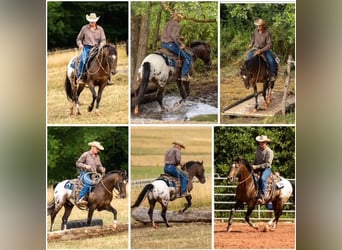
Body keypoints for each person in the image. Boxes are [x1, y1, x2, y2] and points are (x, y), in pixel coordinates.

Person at [76, 13, 113, 85]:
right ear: (88, 21)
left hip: (97, 47)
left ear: (96, 21)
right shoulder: (84, 28)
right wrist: (80, 45)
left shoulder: (100, 29)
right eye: (90, 21)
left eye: (93, 21)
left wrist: (101, 46)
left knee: (106, 58)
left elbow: (103, 40)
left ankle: (108, 77)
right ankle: (80, 77)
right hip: (87, 47)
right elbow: (79, 39)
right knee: (83, 60)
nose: (92, 22)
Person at [161, 12, 192, 82]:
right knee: (188, 57)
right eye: (181, 18)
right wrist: (181, 44)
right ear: (178, 17)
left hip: (163, 45)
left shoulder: (167, 23)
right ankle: (184, 75)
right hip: (171, 45)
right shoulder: (177, 25)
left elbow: (168, 35)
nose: (181, 19)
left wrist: (180, 38)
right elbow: (174, 36)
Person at [76, 141, 106, 205]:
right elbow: (78, 163)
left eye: (99, 149)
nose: (98, 150)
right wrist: (85, 166)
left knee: (101, 184)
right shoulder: (85, 154)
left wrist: (102, 169)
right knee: (88, 183)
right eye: (97, 149)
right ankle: (80, 198)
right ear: (93, 147)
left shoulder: (97, 157)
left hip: (94, 175)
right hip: (85, 173)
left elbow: (99, 166)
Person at [252, 135, 274, 205]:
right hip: (257, 168)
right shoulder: (258, 149)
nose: (260, 143)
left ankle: (263, 196)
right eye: (260, 142)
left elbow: (268, 164)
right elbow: (256, 159)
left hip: (266, 169)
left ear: (266, 142)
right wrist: (253, 165)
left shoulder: (269, 151)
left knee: (262, 179)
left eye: (262, 142)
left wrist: (256, 166)